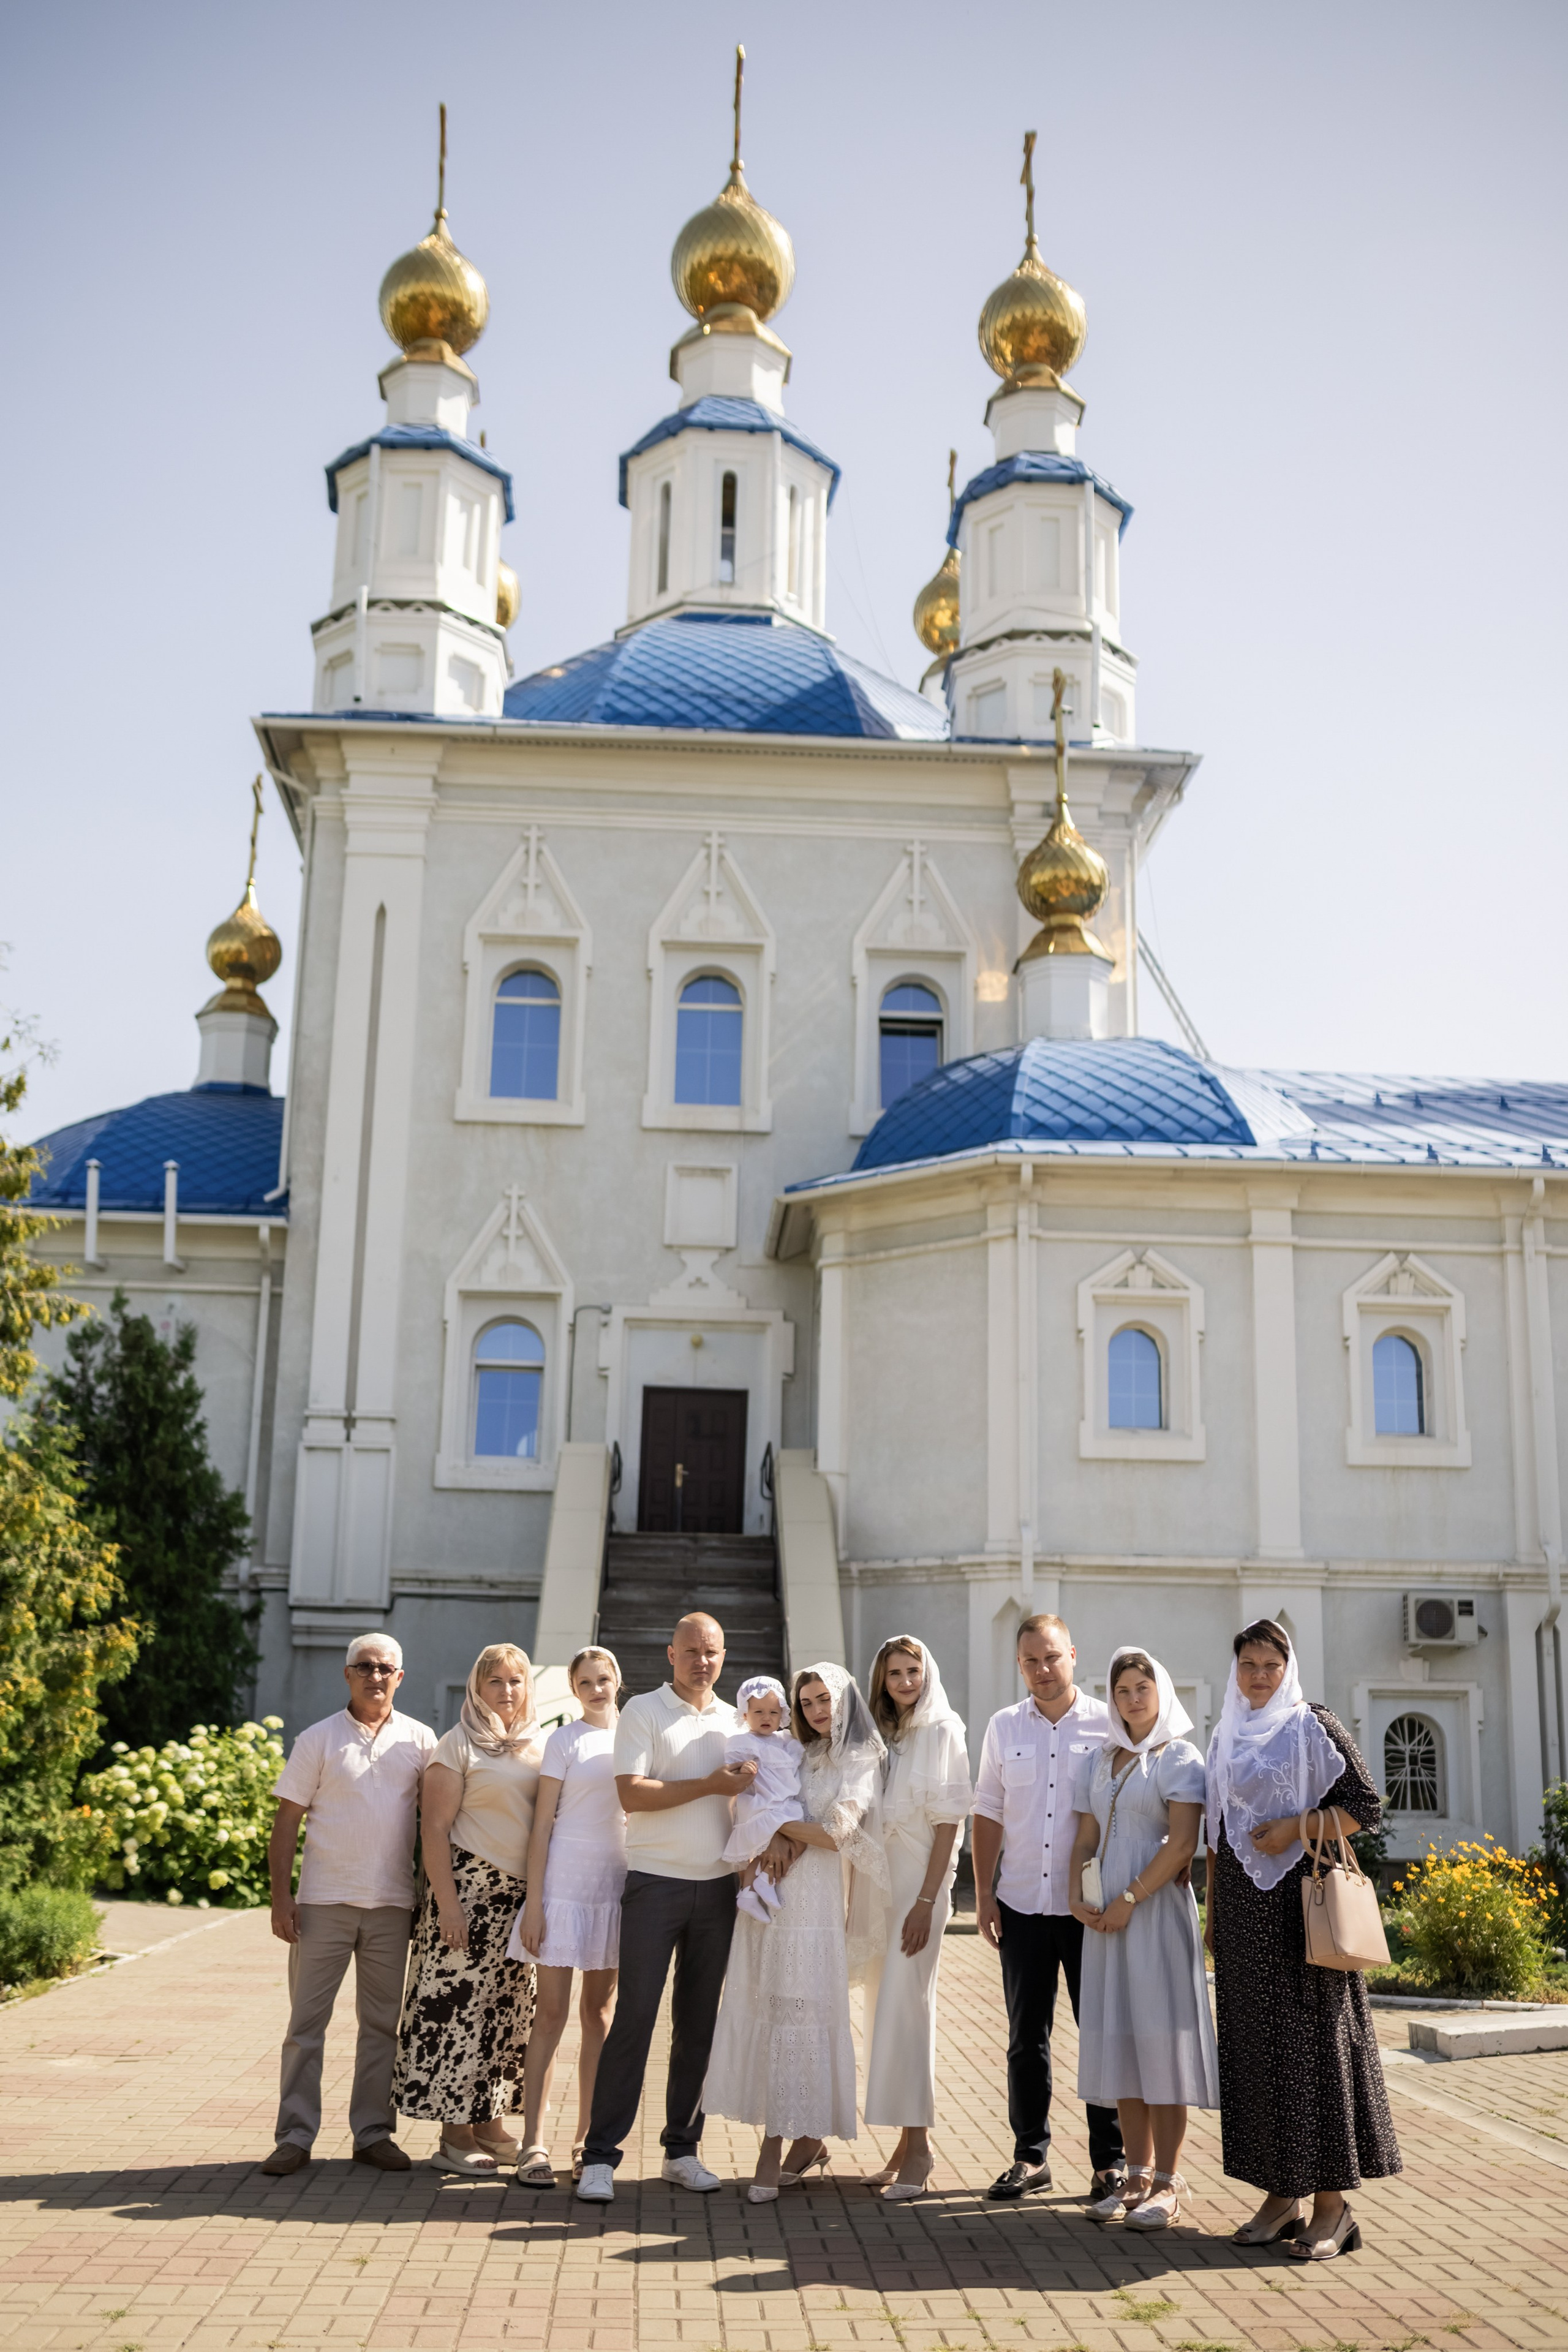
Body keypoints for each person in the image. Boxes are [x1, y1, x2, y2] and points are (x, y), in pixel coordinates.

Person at [1206, 1617, 1401, 2259]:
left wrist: (1295, 1827)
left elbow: (1365, 1805)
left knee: (1311, 2055)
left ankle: (1331, 2208)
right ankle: (1279, 2196)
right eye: (1248, 1665)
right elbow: (1219, 1830)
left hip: (1302, 1915)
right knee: (1256, 2055)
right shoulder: (1225, 1732)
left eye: (1270, 1665)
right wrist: (1212, 1913)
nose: (1259, 1677)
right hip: (1240, 1914)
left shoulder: (1311, 1724)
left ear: (1287, 1669)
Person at [575, 1612, 758, 2204]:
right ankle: (599, 2157)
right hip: (655, 1884)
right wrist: (709, 1785)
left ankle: (682, 2149)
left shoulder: (738, 1720)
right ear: (671, 1654)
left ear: (723, 1655)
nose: (702, 1661)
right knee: (634, 2019)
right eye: (692, 1651)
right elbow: (631, 1792)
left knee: (699, 2025)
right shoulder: (643, 1712)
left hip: (720, 1889)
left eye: (712, 1651)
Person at [703, 1662, 890, 2201]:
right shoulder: (792, 1748)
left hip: (815, 1900)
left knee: (799, 2010)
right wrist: (769, 1838)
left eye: (824, 1701)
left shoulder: (860, 1758)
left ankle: (775, 2144)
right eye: (806, 1702)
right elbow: (752, 1800)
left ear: (843, 1700)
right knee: (773, 2004)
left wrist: (780, 1829)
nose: (816, 1711)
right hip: (773, 1886)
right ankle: (807, 2140)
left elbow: (838, 1834)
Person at [260, 1632, 435, 2176]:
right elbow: (285, 1822)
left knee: (382, 2027)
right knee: (305, 2027)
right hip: (322, 1905)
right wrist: (282, 1898)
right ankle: (294, 2136)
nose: (375, 1676)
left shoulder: (422, 1741)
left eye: (386, 1668)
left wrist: (429, 1903)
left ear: (400, 1677)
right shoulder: (317, 1740)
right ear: (347, 1674)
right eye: (364, 1666)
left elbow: (435, 1827)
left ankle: (373, 2133)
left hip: (390, 1906)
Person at [972, 1612, 1125, 2203]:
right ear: (1019, 1664)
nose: (1042, 1669)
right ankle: (1031, 2155)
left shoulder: (1107, 1724)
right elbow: (987, 1809)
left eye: (1052, 1657)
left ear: (1073, 1656)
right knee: (1025, 2039)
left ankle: (1108, 2160)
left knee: (1100, 2035)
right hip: (1021, 1906)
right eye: (1031, 1660)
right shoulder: (1004, 1727)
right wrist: (985, 1892)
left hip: (1088, 1910)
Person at [1068, 1646, 1218, 2229]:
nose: (1132, 1699)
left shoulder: (1179, 1758)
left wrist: (1130, 1899)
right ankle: (1133, 2176)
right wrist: (1074, 1896)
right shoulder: (1102, 1759)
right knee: (1121, 2040)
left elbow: (1181, 1844)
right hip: (1105, 1918)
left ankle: (1167, 2182)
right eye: (1122, 1690)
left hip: (1151, 1914)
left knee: (1159, 2042)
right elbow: (1084, 1838)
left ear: (1162, 1691)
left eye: (1142, 1687)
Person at [392, 1644, 544, 2174]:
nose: (506, 1691)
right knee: (457, 2014)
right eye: (495, 1681)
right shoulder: (455, 1746)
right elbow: (432, 1830)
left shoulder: (536, 1746)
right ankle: (454, 2137)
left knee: (507, 2015)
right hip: (466, 1897)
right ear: (476, 1689)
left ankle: (490, 2122)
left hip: (519, 1904)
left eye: (516, 1681)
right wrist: (449, 1908)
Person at [861, 1635, 973, 2199]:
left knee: (911, 2012)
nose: (905, 1681)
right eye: (894, 1673)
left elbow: (951, 1826)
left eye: (913, 1671)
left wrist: (928, 1902)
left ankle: (922, 2149)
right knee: (886, 2010)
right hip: (883, 1887)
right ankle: (903, 2143)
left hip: (919, 1892)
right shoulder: (889, 1736)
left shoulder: (944, 1730)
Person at [510, 1645, 627, 2184]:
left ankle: (587, 2140)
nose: (597, 1689)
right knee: (550, 2015)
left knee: (599, 2017)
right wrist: (534, 1905)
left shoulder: (637, 1734)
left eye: (604, 1679)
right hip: (562, 1888)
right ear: (575, 1690)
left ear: (617, 1680)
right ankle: (533, 2143)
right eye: (586, 1682)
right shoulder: (564, 1739)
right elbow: (542, 1828)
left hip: (616, 1889)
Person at [722, 1674, 804, 1921]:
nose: (767, 1718)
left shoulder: (786, 1740)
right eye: (759, 1712)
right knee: (761, 1849)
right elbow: (732, 1772)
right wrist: (744, 1770)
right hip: (762, 1803)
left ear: (783, 1716)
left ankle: (749, 1892)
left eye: (773, 1713)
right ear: (745, 1714)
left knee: (797, 1843)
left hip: (782, 1803)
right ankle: (762, 1882)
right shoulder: (743, 1742)